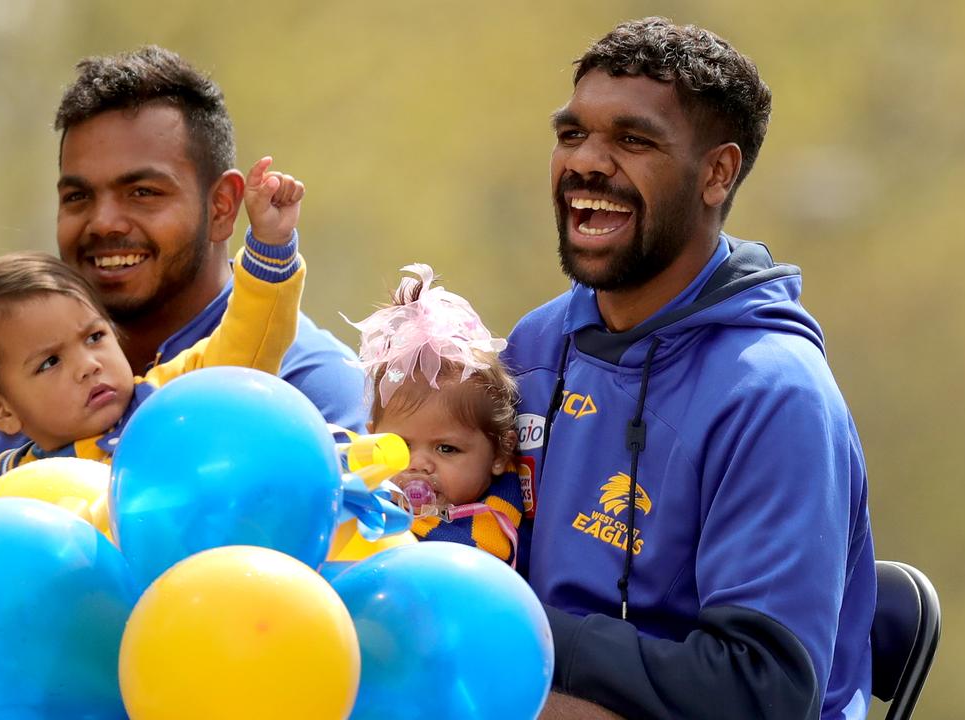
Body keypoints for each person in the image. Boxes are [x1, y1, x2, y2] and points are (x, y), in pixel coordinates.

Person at [0, 46, 367, 708]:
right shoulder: (21, 439)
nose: (104, 222)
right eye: (77, 197)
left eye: (142, 192)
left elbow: (316, 642)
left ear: (222, 207)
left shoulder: (292, 391)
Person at [504, 17, 876, 720]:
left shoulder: (774, 395)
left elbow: (759, 690)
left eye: (633, 140)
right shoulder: (536, 345)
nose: (586, 163)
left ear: (717, 172)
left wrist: (516, 624)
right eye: (572, 133)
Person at [0, 156, 304, 491]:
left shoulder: (168, 401)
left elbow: (247, 341)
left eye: (95, 336)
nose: (89, 365)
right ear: (2, 410)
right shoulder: (4, 486)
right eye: (50, 362)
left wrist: (271, 245)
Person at [346, 263, 523, 564]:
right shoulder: (363, 512)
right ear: (372, 437)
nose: (418, 465)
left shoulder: (490, 523)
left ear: (500, 453)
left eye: (446, 448)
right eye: (400, 446)